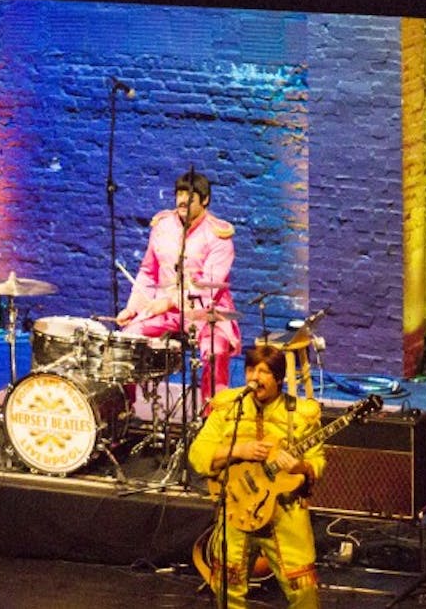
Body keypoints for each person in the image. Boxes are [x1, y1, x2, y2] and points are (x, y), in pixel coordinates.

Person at [187, 344, 325, 608]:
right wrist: (239, 449)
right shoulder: (228, 408)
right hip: (237, 507)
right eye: (251, 369)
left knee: (303, 589)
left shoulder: (302, 415)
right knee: (228, 585)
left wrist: (301, 467)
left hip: (284, 511)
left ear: (279, 379)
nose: (255, 377)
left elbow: (317, 461)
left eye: (264, 372)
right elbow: (198, 454)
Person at [117, 171, 239, 400]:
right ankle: (124, 411)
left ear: (205, 200)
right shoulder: (162, 226)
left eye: (190, 195)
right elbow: (147, 272)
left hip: (205, 313)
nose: (183, 200)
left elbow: (208, 288)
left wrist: (170, 301)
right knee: (127, 340)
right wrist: (132, 308)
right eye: (179, 194)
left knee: (216, 351)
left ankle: (211, 418)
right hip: (166, 312)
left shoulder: (218, 236)